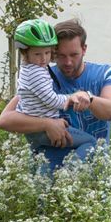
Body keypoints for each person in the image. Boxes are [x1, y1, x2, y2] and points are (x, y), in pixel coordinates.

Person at [0, 17, 111, 170]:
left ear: (84, 49)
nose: (68, 62)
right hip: (50, 168)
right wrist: (47, 124)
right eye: (61, 56)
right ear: (54, 53)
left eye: (74, 54)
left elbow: (110, 111)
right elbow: (5, 120)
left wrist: (88, 97)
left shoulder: (105, 73)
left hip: (96, 171)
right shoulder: (42, 77)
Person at [9, 17, 95, 163]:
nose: (43, 59)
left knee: (45, 162)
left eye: (47, 53)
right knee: (92, 143)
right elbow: (51, 100)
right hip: (42, 132)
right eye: (38, 54)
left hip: (33, 132)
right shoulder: (36, 73)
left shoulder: (28, 69)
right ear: (25, 53)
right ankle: (71, 172)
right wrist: (71, 97)